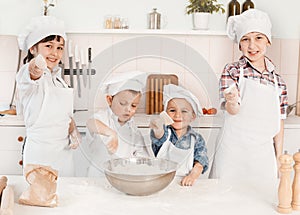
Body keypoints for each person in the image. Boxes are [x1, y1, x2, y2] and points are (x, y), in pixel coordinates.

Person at [209, 9, 288, 184]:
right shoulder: (233, 71)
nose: (252, 46)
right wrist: (231, 100)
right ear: (239, 45)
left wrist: (279, 157)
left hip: (262, 157)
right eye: (245, 39)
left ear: (268, 40)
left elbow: (279, 123)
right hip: (231, 155)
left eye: (258, 38)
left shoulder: (279, 82)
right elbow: (232, 110)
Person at [16, 16, 79, 177]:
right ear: (32, 48)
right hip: (40, 154)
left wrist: (73, 130)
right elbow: (33, 71)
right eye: (49, 46)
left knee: (64, 197)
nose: (55, 53)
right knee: (39, 199)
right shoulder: (27, 75)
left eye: (59, 48)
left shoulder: (59, 80)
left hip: (64, 154)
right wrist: (37, 65)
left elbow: (62, 114)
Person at [86, 71, 153, 176]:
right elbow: (91, 123)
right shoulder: (102, 118)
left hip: (121, 178)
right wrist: (111, 133)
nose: (128, 109)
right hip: (97, 176)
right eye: (123, 103)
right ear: (109, 99)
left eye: (134, 105)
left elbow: (141, 154)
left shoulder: (133, 128)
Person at [150, 84, 209, 186]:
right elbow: (158, 136)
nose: (178, 115)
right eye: (172, 110)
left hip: (184, 183)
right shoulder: (165, 132)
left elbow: (200, 163)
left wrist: (192, 176)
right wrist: (158, 127)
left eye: (184, 111)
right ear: (166, 114)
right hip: (160, 182)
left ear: (193, 116)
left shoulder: (197, 139)